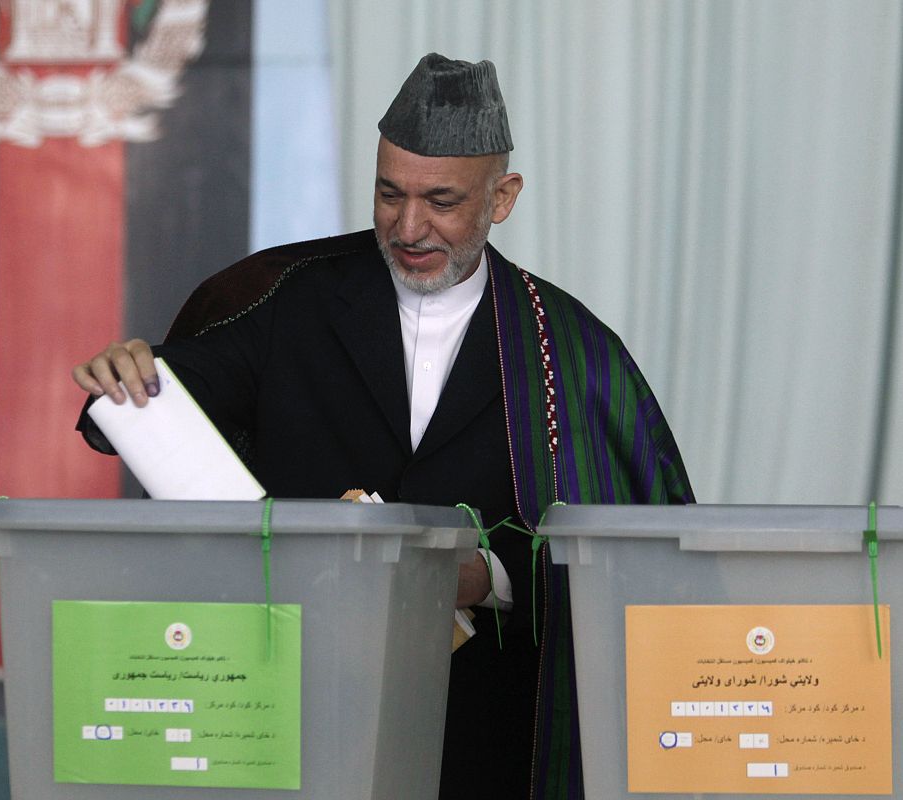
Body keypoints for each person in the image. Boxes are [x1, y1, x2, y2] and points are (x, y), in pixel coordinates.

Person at [74, 53, 694, 799]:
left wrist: (488, 576)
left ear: (501, 198)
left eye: (441, 200)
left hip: (486, 730)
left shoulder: (566, 347)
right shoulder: (295, 302)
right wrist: (129, 379)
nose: (408, 226)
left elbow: (631, 558)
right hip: (298, 708)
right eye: (389, 193)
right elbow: (179, 387)